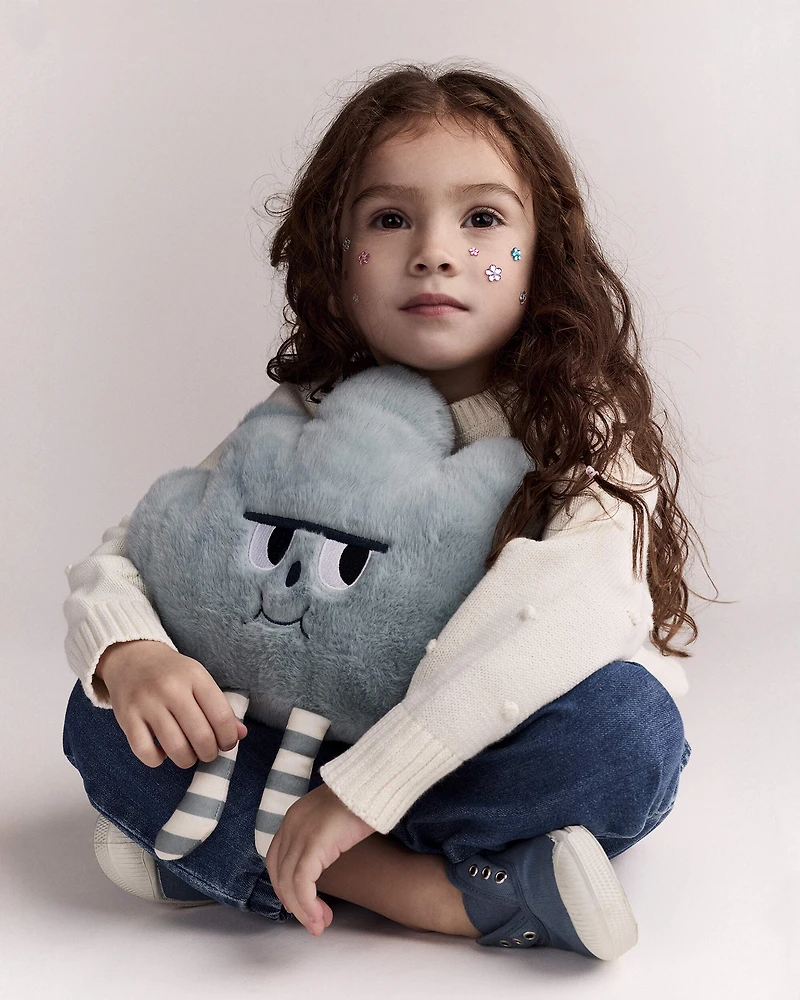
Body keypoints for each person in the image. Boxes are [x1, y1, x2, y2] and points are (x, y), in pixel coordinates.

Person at [62, 62, 708, 961]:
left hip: (461, 752)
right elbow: (146, 549)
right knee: (99, 714)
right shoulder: (308, 415)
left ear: (543, 255)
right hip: (311, 740)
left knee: (627, 732)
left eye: (481, 218)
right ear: (339, 260)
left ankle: (227, 847)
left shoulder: (579, 432)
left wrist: (365, 790)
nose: (435, 250)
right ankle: (450, 894)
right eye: (391, 219)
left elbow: (571, 613)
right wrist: (133, 653)